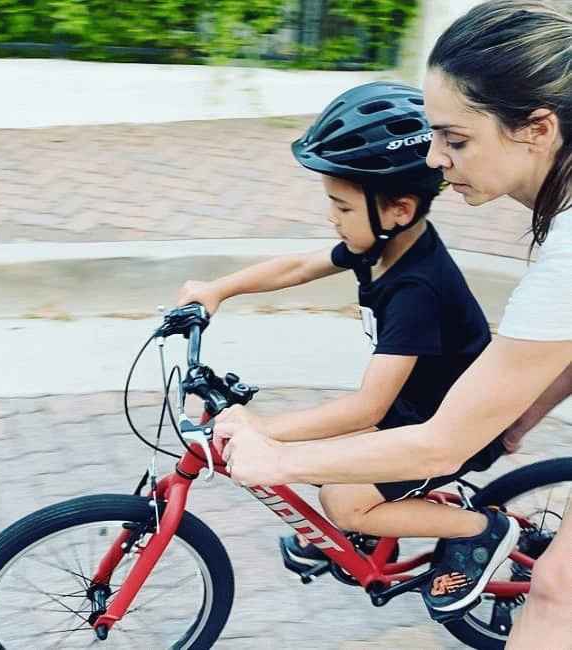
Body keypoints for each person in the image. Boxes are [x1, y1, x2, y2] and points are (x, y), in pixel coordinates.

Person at [215, 1, 572, 644]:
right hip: (437, 417)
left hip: (435, 427)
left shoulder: (560, 256)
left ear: (537, 129)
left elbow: (441, 444)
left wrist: (277, 456)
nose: (435, 159)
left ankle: (477, 536)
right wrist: (526, 414)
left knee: (556, 596)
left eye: (455, 139)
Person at [179, 81, 518, 604]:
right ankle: (371, 528)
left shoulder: (417, 290)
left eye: (341, 207)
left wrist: (263, 430)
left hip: (449, 428)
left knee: (342, 499)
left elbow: (367, 408)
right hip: (411, 410)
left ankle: (479, 532)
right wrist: (217, 289)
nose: (331, 218)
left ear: (399, 209)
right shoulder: (381, 246)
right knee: (319, 450)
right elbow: (297, 266)